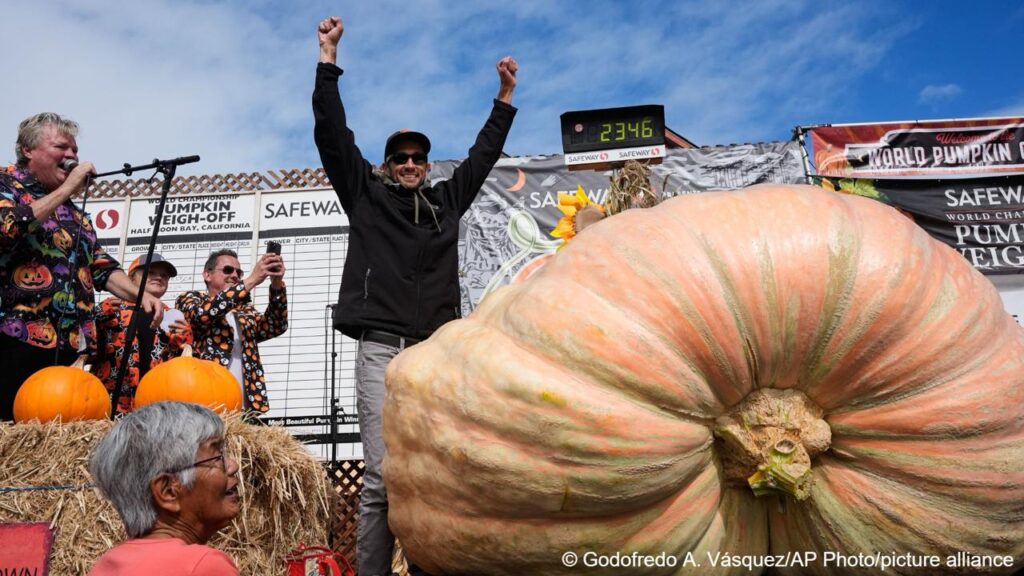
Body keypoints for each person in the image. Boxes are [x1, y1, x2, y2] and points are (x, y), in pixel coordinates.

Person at [313, 15, 517, 576]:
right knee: (381, 478)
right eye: (399, 157)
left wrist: (503, 99)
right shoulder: (364, 195)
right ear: (386, 165)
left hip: (432, 354)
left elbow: (483, 157)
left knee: (431, 476)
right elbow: (333, 134)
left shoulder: (446, 203)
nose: (408, 165)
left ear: (427, 167)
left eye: (417, 158)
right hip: (380, 350)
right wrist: (328, 59)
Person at [0, 112, 163, 421]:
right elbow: (7, 226)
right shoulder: (6, 182)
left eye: (75, 150)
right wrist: (66, 189)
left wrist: (139, 294)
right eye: (62, 147)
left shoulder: (75, 213)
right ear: (28, 150)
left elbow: (100, 266)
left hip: (70, 344)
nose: (72, 156)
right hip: (14, 336)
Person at [88, 401, 240, 575]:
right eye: (217, 457)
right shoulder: (202, 566)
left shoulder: (106, 565)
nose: (232, 466)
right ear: (168, 491)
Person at [176, 249, 287, 414]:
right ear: (207, 275)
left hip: (244, 404)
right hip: (205, 399)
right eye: (228, 270)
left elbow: (275, 326)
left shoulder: (244, 311)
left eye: (239, 272)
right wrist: (251, 280)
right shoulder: (191, 299)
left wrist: (276, 284)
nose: (235, 275)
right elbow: (203, 315)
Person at [91, 253, 193, 413]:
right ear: (131, 279)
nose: (159, 277)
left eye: (164, 276)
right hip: (111, 404)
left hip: (155, 406)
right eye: (151, 273)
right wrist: (98, 315)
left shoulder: (173, 317)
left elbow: (184, 369)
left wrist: (186, 341)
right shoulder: (112, 307)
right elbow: (84, 348)